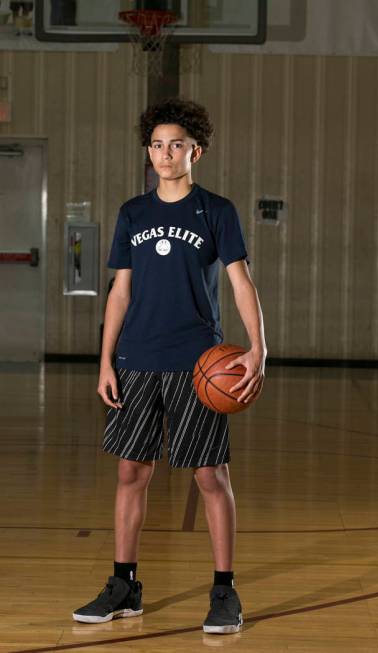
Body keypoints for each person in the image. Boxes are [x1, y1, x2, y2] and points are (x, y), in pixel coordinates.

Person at [72, 97, 267, 634]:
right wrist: (105, 360)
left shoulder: (216, 210)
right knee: (130, 471)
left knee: (209, 474)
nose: (164, 153)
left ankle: (224, 589)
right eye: (156, 145)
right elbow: (120, 291)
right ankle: (124, 584)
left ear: (195, 151)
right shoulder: (132, 212)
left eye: (175, 144)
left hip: (196, 361)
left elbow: (240, 282)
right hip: (136, 359)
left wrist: (258, 347)